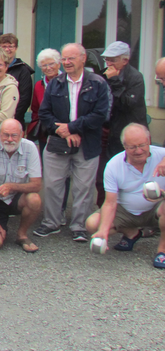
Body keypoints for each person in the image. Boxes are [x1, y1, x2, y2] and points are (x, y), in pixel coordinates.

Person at [34, 43, 110, 241]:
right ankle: (51, 222)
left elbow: (101, 115)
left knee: (83, 187)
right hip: (58, 141)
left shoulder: (98, 83)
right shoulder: (56, 84)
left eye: (71, 58)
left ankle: (79, 226)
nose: (66, 63)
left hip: (87, 143)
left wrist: (73, 128)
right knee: (52, 184)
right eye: (64, 59)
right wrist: (64, 131)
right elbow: (44, 113)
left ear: (83, 59)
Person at [86, 124, 165, 269]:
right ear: (124, 146)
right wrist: (103, 230)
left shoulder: (161, 155)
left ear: (149, 141)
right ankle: (133, 233)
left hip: (157, 209)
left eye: (142, 145)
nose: (138, 150)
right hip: (126, 212)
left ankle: (162, 251)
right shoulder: (113, 165)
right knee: (93, 224)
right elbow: (110, 203)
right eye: (132, 147)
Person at [0, 120, 43, 253]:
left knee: (34, 199)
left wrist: (11, 186)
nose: (9, 139)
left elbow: (37, 185)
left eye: (14, 135)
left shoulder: (30, 148)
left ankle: (22, 235)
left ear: (22, 135)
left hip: (16, 198)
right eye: (5, 135)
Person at [100, 41, 147, 158]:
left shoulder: (136, 77)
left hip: (128, 129)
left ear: (125, 61)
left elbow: (127, 104)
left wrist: (114, 81)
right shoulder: (103, 75)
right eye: (107, 60)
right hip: (108, 128)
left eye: (113, 60)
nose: (109, 64)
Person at [0, 34, 34, 128]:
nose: (7, 49)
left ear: (16, 48)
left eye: (11, 46)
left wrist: (10, 118)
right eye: (4, 46)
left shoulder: (23, 71)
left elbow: (24, 100)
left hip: (14, 122)